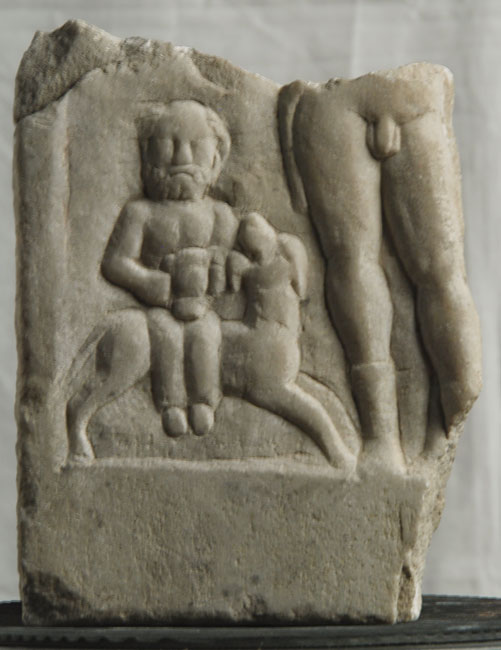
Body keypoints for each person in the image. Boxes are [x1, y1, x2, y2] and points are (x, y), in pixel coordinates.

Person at [278, 65, 482, 466]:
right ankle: (389, 438)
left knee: (396, 268)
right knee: (404, 270)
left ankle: (409, 438)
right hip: (395, 102)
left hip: (360, 106)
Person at [66, 100, 237, 460]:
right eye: (170, 144)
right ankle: (172, 403)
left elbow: (227, 261)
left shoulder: (219, 215)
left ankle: (204, 401)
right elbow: (116, 263)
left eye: (195, 145)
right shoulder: (141, 212)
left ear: (216, 158)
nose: (182, 157)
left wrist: (214, 277)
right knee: (166, 336)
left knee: (208, 336)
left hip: (200, 307)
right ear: (148, 154)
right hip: (161, 307)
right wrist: (146, 281)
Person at [222, 212, 355, 470]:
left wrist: (244, 268)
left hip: (274, 342)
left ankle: (335, 449)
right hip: (265, 336)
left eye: (255, 239)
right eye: (247, 245)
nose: (253, 249)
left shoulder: (282, 254)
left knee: (279, 393)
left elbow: (299, 287)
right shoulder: (254, 262)